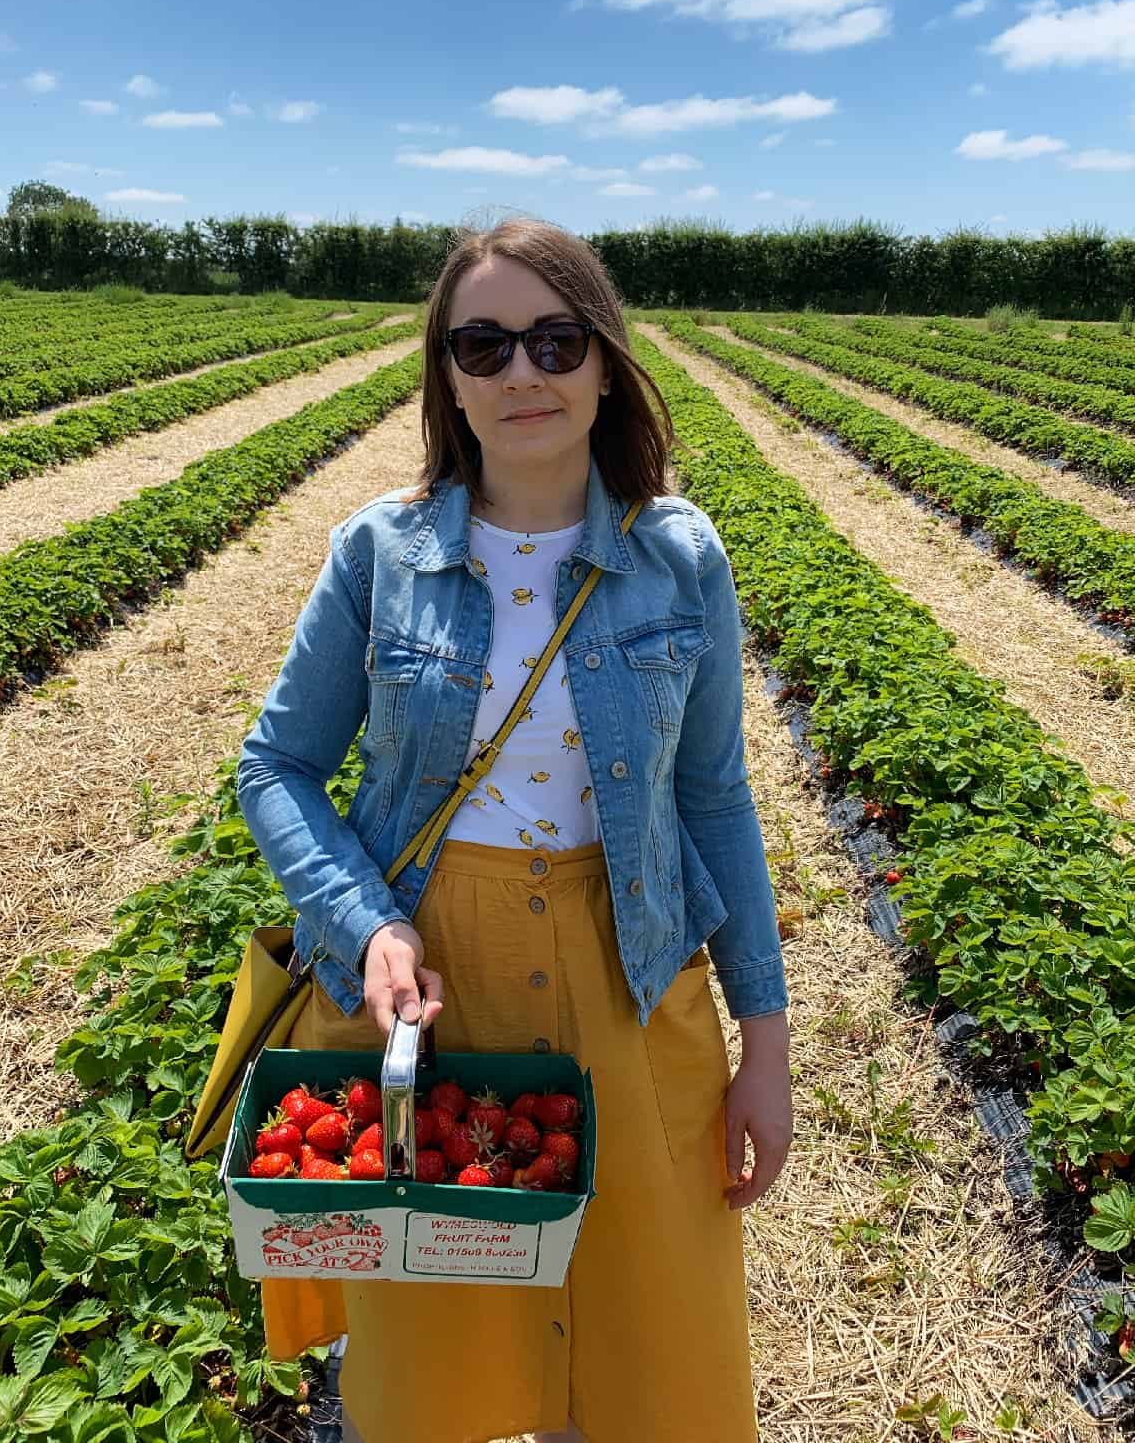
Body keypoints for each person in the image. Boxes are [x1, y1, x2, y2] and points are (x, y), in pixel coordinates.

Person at [236, 218, 793, 1443]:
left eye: (555, 338)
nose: (523, 373)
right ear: (445, 373)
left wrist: (766, 1039)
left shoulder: (677, 556)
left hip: (633, 968)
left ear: (605, 360)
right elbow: (277, 763)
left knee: (651, 1351)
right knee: (439, 1355)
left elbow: (715, 795)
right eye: (484, 344)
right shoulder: (379, 554)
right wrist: (366, 922)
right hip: (436, 980)